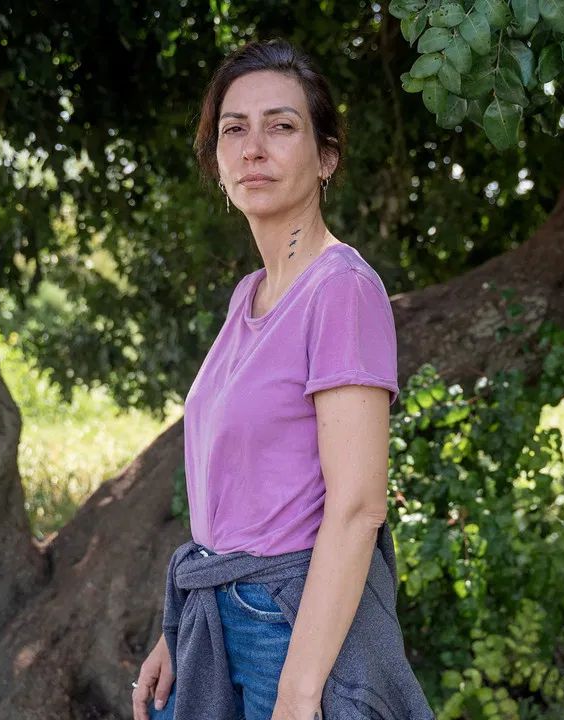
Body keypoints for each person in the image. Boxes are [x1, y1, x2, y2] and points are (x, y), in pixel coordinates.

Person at [130, 39, 433, 720]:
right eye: (234, 129)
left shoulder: (341, 289)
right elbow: (242, 491)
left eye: (282, 126)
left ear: (326, 158)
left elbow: (358, 507)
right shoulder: (251, 294)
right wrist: (182, 627)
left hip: (288, 627)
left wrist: (298, 691)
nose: (253, 148)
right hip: (221, 616)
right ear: (216, 160)